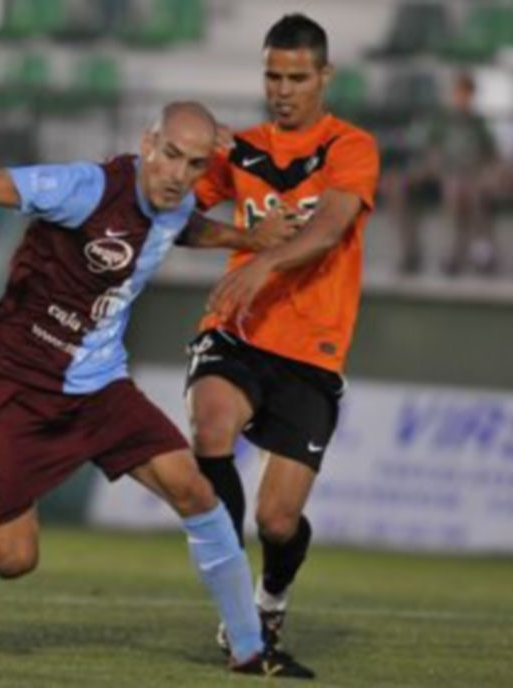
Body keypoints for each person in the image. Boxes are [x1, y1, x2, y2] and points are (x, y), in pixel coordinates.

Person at [0, 101, 313, 678]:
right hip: (18, 383)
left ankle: (250, 651)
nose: (178, 174)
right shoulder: (85, 188)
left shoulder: (175, 205)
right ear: (149, 142)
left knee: (196, 493)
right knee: (15, 561)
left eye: (195, 165)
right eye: (171, 155)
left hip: (100, 388)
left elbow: (184, 228)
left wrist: (248, 237)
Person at [185, 14, 380, 662]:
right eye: (273, 75)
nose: (283, 89)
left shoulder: (351, 147)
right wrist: (235, 235)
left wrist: (267, 261)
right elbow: (182, 220)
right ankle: (241, 614)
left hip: (311, 351)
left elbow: (329, 227)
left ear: (324, 76)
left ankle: (270, 598)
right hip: (237, 330)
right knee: (210, 427)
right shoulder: (236, 149)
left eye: (297, 77)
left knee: (277, 521)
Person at [384, 71, 499, 276]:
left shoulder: (478, 124)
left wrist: (483, 175)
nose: (461, 98)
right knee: (397, 186)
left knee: (460, 191)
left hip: (465, 177)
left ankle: (457, 257)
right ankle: (410, 253)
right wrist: (424, 169)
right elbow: (427, 151)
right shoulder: (439, 121)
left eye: (466, 94)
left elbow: (490, 157)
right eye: (458, 93)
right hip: (435, 172)